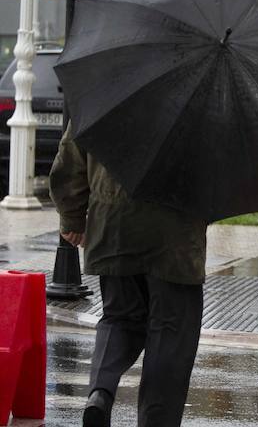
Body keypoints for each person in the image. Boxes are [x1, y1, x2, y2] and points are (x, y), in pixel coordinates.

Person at [50, 126, 208, 427]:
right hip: (176, 233)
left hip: (113, 224)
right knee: (171, 331)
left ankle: (101, 390)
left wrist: (72, 215)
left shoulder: (107, 88)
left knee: (119, 317)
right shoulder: (202, 100)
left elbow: (72, 150)